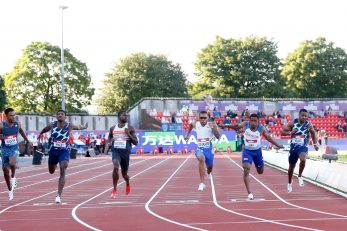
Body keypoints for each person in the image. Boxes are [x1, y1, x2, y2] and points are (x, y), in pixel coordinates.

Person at [220, 113, 283, 200]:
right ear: (249, 121)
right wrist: (225, 126)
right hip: (247, 151)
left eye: (255, 121)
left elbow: (268, 137)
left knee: (260, 171)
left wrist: (278, 144)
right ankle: (249, 193)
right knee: (246, 169)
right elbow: (236, 126)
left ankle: (252, 174)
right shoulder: (246, 124)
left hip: (257, 152)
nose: (253, 123)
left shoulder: (261, 128)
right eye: (251, 121)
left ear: (258, 122)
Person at [37, 109, 88, 203]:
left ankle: (58, 196)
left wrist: (84, 127)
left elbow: (78, 127)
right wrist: (40, 134)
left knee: (62, 169)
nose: (60, 115)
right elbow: (45, 129)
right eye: (58, 114)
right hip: (53, 151)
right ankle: (55, 163)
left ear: (65, 117)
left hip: (64, 150)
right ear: (56, 116)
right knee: (51, 171)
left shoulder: (69, 125)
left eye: (62, 114)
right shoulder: (52, 124)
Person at [281, 109, 319, 193]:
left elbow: (313, 133)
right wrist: (290, 132)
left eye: (306, 116)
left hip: (303, 146)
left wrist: (315, 144)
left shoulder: (308, 124)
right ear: (299, 115)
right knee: (291, 167)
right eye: (303, 115)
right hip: (293, 148)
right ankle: (290, 183)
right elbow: (282, 132)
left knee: (303, 159)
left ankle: (299, 175)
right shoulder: (293, 123)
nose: (304, 117)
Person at [0, 107, 32, 201]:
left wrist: (28, 141)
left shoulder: (17, 124)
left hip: (14, 147)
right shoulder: (2, 125)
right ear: (6, 116)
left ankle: (13, 177)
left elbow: (21, 131)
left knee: (13, 163)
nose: (13, 117)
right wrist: (1, 136)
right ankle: (10, 190)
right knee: (5, 171)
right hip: (5, 149)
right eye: (11, 115)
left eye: (14, 115)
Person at [184, 111, 220, 191]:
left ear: (207, 118)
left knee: (210, 167)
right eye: (201, 118)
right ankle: (202, 183)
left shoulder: (211, 124)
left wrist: (213, 127)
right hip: (200, 149)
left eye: (205, 118)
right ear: (199, 118)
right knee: (201, 159)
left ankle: (208, 172)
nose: (203, 120)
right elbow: (190, 125)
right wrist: (187, 135)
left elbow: (217, 136)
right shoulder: (196, 124)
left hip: (209, 149)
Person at [108, 111, 138, 198]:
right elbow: (110, 136)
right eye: (124, 115)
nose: (126, 117)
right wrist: (109, 143)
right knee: (116, 166)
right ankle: (114, 189)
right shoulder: (113, 128)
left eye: (127, 116)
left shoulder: (130, 128)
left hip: (125, 153)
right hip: (116, 151)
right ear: (119, 116)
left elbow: (135, 142)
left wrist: (128, 134)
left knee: (124, 174)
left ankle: (127, 182)